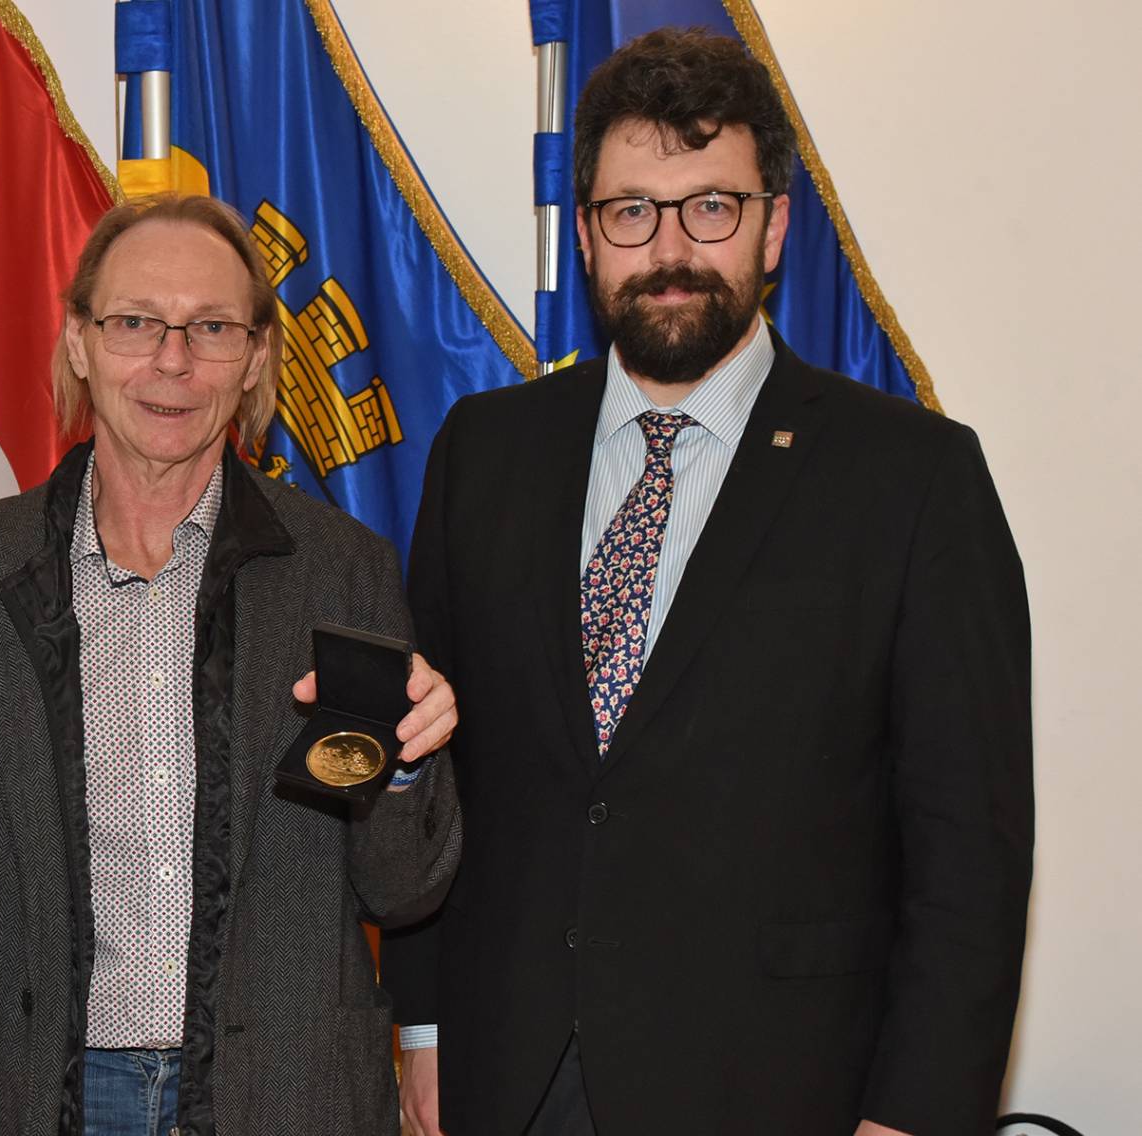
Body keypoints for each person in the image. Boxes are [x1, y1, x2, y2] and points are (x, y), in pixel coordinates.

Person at [383, 27, 1033, 1136]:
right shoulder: (482, 451)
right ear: (587, 234)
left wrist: (915, 1113)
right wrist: (425, 1029)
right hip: (509, 1073)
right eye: (631, 210)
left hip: (782, 1086)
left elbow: (967, 850)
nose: (671, 248)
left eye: (711, 207)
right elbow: (436, 771)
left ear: (773, 226)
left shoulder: (913, 478)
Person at [0, 194, 464, 1134]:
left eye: (210, 327)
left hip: (285, 1103)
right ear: (80, 341)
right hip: (25, 1101)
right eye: (136, 323)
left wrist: (406, 763)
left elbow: (402, 890)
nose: (172, 360)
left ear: (254, 357)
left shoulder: (344, 577)